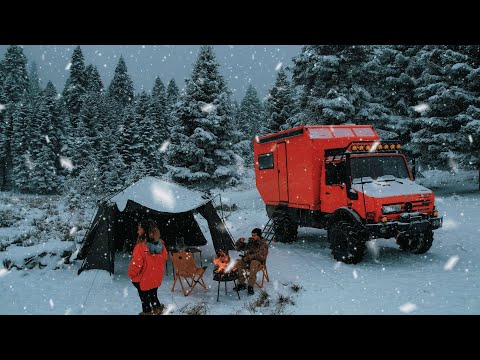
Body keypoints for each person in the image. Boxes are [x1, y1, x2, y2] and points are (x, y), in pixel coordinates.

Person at [128, 219, 168, 315]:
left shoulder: (141, 246)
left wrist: (131, 274)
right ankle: (158, 311)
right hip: (155, 278)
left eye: (139, 229)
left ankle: (147, 313)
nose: (138, 231)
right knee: (153, 296)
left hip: (143, 280)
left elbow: (136, 265)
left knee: (145, 300)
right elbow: (164, 258)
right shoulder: (161, 244)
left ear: (145, 231)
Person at [233, 228, 268, 295]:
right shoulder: (250, 241)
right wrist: (240, 241)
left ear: (259, 235)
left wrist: (249, 257)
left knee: (253, 263)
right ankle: (241, 283)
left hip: (258, 263)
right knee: (238, 262)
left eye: (254, 235)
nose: (252, 236)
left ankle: (250, 286)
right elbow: (237, 248)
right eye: (252, 235)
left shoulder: (263, 244)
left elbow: (261, 256)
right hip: (247, 261)